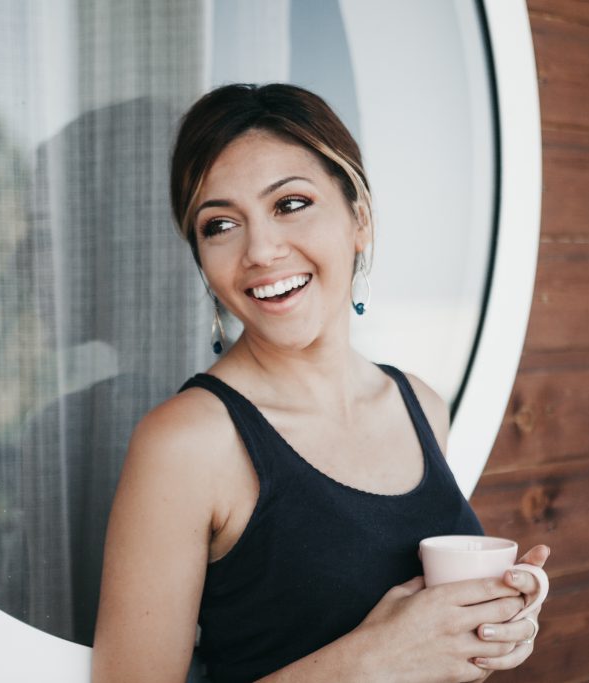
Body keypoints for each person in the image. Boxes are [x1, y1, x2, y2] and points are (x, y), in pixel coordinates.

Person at [92, 83, 550, 682]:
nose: (261, 250)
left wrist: (494, 625)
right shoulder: (187, 443)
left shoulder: (420, 405)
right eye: (220, 224)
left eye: (289, 205)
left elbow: (433, 644)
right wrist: (374, 658)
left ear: (358, 219)